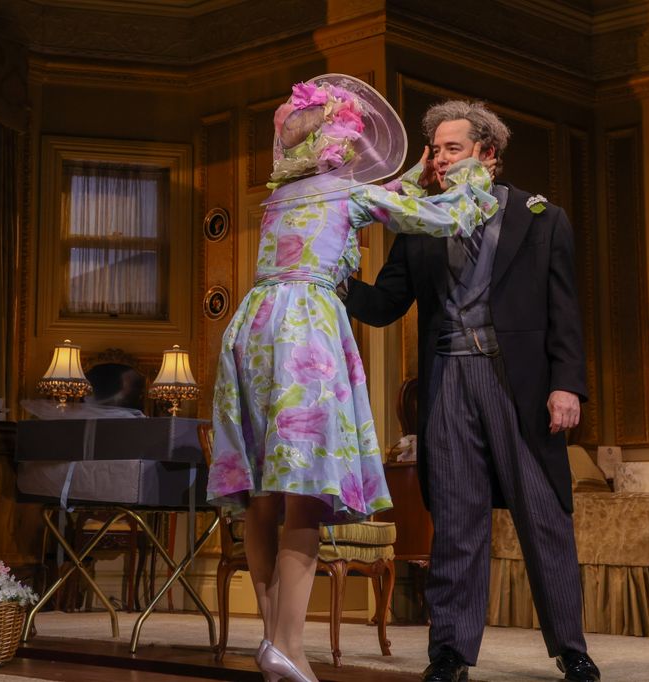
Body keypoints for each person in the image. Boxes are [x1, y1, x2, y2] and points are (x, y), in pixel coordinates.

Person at [207, 76, 496, 682]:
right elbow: (440, 220)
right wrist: (470, 179)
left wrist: (410, 178)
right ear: (341, 141)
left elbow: (381, 197)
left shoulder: (284, 196)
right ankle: (290, 646)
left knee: (264, 492)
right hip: (303, 328)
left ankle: (273, 643)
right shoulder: (343, 193)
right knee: (303, 491)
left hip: (253, 323)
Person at [343, 100, 601, 682]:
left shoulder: (542, 218)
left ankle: (572, 649)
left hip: (520, 384)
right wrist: (329, 276)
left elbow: (565, 314)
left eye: (450, 148)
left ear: (489, 154)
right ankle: (451, 653)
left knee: (544, 518)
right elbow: (385, 306)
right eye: (433, 149)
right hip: (448, 381)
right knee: (456, 519)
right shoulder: (419, 224)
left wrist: (567, 386)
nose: (437, 159)